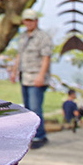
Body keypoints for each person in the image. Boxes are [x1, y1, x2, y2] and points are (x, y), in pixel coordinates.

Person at [13, 8, 53, 148]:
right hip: (25, 76)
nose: (28, 23)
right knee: (28, 109)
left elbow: (46, 58)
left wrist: (41, 76)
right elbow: (20, 55)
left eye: (31, 20)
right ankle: (31, 135)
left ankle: (40, 136)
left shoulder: (43, 37)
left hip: (36, 77)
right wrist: (14, 71)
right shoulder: (23, 36)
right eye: (26, 20)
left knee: (36, 108)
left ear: (36, 21)